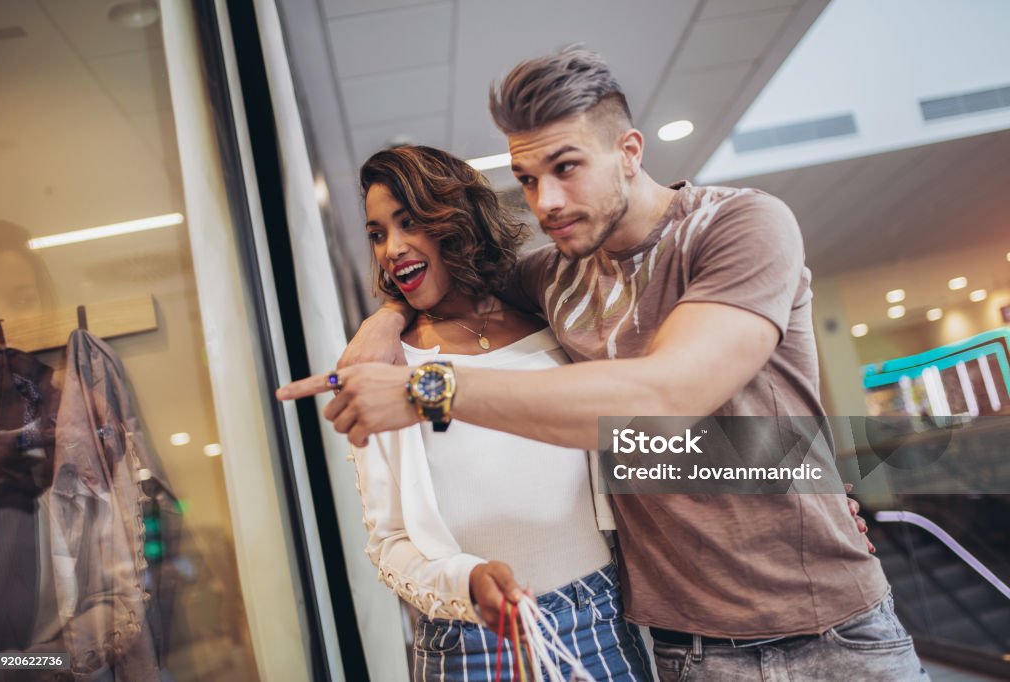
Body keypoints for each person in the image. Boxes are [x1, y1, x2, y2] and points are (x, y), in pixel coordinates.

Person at [279, 47, 925, 680]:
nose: (546, 202)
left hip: (830, 629)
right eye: (528, 179)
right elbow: (456, 281)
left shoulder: (739, 225)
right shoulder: (552, 279)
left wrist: (427, 390)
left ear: (629, 151)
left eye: (566, 167)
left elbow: (666, 398)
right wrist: (383, 321)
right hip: (686, 648)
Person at [345, 145, 651, 681]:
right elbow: (389, 542)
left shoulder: (556, 326)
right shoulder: (386, 364)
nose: (392, 249)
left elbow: (651, 431)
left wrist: (811, 483)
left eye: (409, 222)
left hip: (598, 622)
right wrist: (467, 582)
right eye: (377, 233)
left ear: (457, 221)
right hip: (470, 650)